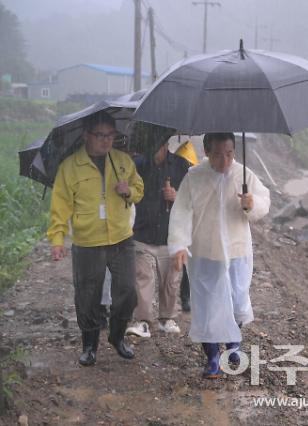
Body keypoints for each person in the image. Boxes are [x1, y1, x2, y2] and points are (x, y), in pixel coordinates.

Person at [168, 132, 270, 378]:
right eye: (218, 155)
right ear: (206, 152)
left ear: (234, 151)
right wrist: (179, 245)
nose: (224, 161)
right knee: (208, 307)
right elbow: (181, 212)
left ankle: (234, 346)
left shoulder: (244, 174)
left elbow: (264, 202)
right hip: (205, 252)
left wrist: (251, 203)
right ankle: (213, 357)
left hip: (237, 251)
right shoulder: (194, 177)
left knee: (236, 301)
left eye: (229, 154)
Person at [47, 111, 144, 366]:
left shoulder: (122, 161)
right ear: (86, 135)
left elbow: (139, 190)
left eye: (110, 135)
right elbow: (60, 207)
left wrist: (128, 191)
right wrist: (58, 240)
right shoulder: (70, 167)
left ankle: (117, 336)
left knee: (127, 291)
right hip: (87, 243)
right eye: (100, 135)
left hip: (122, 238)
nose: (106, 141)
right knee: (88, 295)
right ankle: (89, 345)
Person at [126, 141, 190, 338]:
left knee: (171, 280)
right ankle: (143, 320)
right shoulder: (136, 165)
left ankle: (166, 317)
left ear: (166, 143)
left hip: (171, 235)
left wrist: (176, 196)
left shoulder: (181, 166)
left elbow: (192, 198)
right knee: (143, 277)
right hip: (142, 233)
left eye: (159, 143)